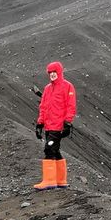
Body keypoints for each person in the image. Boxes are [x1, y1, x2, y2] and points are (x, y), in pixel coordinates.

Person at [33, 60, 76, 190]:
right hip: (49, 126)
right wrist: (40, 123)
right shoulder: (47, 89)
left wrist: (67, 123)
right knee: (55, 151)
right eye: (50, 72)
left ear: (59, 72)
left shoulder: (67, 86)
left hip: (58, 126)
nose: (52, 74)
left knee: (49, 149)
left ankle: (49, 181)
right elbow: (43, 107)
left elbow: (71, 105)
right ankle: (61, 180)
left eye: (54, 72)